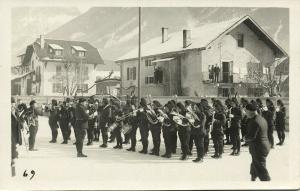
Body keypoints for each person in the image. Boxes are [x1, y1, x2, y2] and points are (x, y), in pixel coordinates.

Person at [245, 103, 271, 181]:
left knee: (262, 170)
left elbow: (251, 137)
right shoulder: (261, 118)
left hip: (258, 148)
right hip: (264, 146)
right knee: (255, 164)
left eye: (246, 111)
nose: (245, 113)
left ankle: (268, 185)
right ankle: (253, 177)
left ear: (250, 111)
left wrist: (244, 138)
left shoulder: (254, 121)